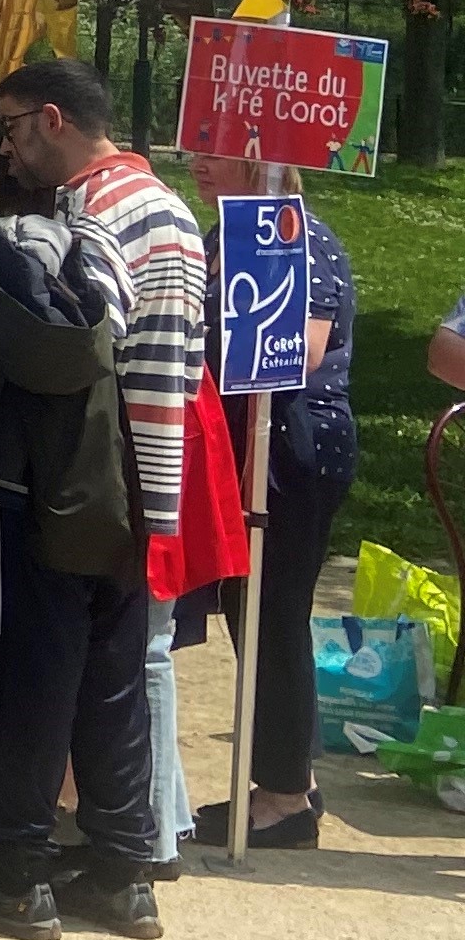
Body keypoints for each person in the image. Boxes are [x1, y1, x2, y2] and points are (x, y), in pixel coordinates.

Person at [0, 57, 202, 939]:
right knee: (114, 681)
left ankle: (21, 871)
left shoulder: (94, 211)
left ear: (51, 119)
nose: (5, 150)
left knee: (37, 674)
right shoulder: (174, 208)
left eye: (10, 130)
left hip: (76, 473)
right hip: (149, 474)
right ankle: (121, 869)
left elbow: (76, 339)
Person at [192, 150, 357, 850]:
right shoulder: (221, 235)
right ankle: (289, 779)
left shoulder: (296, 233)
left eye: (215, 151)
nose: (198, 162)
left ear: (259, 163)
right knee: (250, 610)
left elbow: (307, 348)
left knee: (274, 612)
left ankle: (285, 796)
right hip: (246, 441)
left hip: (293, 444)